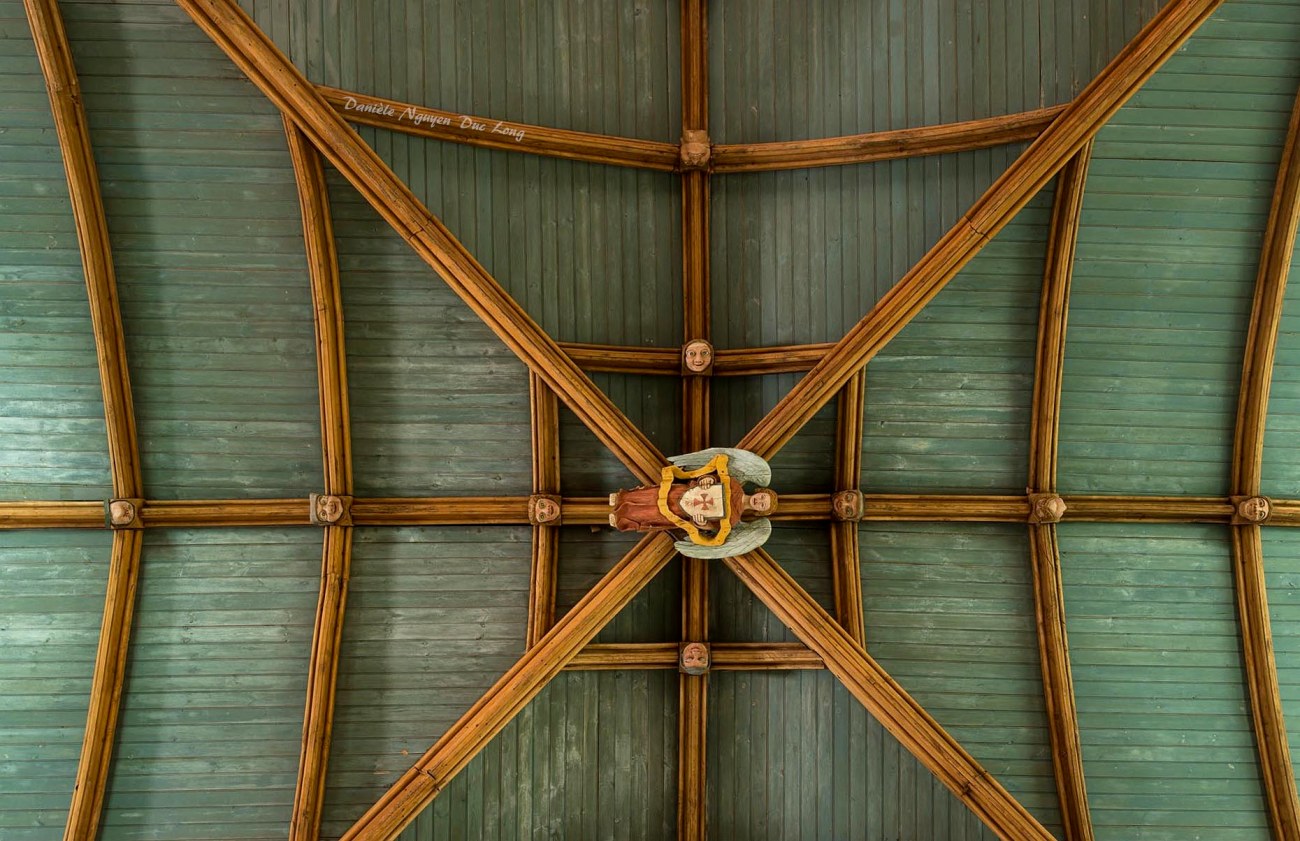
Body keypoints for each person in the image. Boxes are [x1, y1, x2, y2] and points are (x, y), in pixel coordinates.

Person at [608, 447, 776, 558]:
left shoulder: (732, 519)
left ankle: (623, 518)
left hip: (683, 513)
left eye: (762, 505)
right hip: (686, 492)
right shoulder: (734, 484)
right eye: (762, 498)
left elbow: (710, 527)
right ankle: (623, 497)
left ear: (759, 511)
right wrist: (706, 480)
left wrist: (701, 523)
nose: (759, 501)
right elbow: (713, 476)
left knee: (652, 514)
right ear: (759, 492)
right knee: (652, 494)